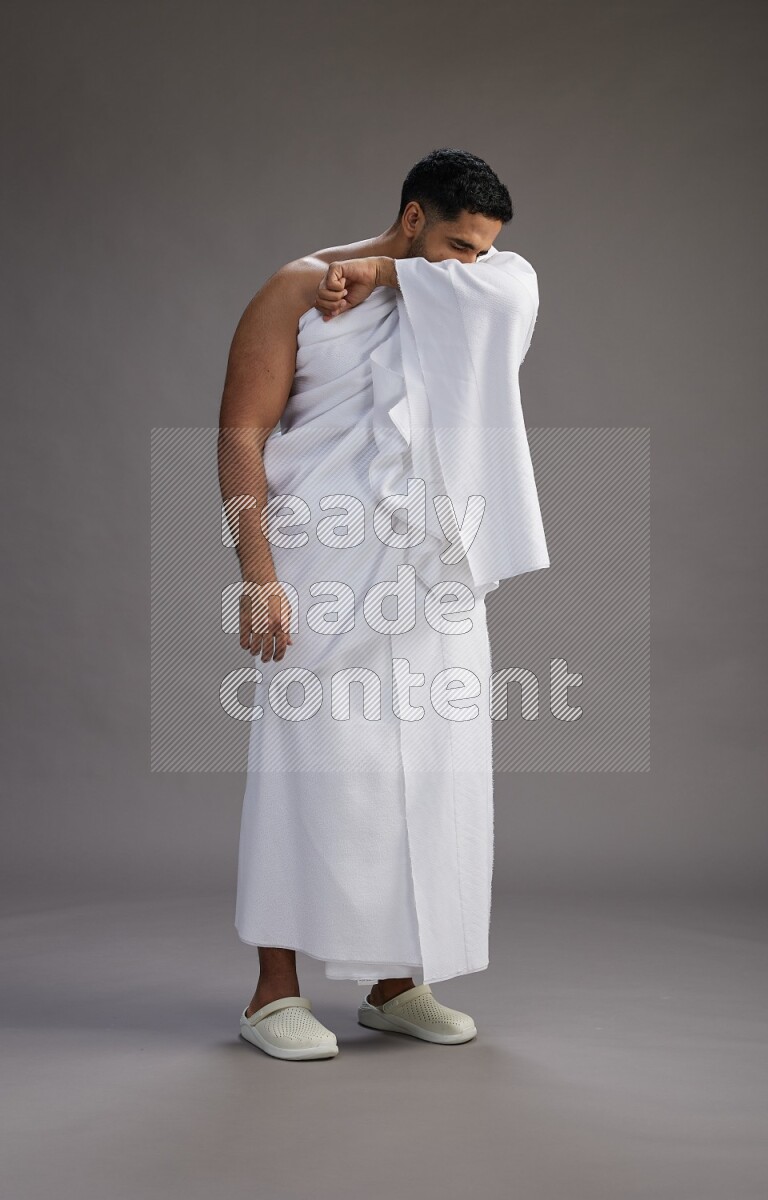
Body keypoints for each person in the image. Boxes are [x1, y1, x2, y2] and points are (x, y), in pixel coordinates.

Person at [217, 147, 549, 1061]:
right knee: (310, 765)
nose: (469, 267)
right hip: (324, 564)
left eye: (482, 251)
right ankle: (272, 992)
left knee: (435, 774)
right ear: (411, 216)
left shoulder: (468, 293)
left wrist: (399, 274)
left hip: (435, 576)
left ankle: (399, 982)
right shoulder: (299, 289)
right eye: (453, 244)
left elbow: (510, 290)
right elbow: (241, 433)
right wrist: (258, 574)